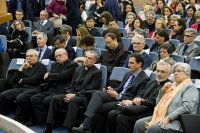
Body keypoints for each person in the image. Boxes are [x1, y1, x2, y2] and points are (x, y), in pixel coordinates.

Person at [72, 54, 150, 133]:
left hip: (124, 102)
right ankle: (86, 125)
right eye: (129, 62)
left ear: (139, 64)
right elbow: (120, 89)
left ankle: (87, 126)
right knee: (97, 94)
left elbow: (136, 98)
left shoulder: (144, 79)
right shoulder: (128, 73)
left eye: (132, 63)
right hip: (117, 97)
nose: (128, 65)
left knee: (100, 106)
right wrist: (111, 89)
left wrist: (118, 96)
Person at [40, 50, 102, 133]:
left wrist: (75, 95)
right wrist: (69, 93)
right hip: (72, 94)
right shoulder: (78, 69)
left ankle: (69, 129)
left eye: (89, 58)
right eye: (85, 57)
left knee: (73, 100)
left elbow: (90, 89)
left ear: (94, 61)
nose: (86, 59)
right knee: (55, 98)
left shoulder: (97, 72)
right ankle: (48, 127)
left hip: (85, 97)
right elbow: (71, 85)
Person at [133, 62, 199, 133]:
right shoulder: (172, 86)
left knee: (153, 128)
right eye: (174, 71)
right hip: (162, 116)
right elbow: (158, 103)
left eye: (179, 71)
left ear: (187, 73)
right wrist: (162, 91)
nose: (175, 73)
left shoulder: (190, 87)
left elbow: (187, 107)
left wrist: (169, 118)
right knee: (139, 124)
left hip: (178, 121)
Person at [107, 61, 172, 133]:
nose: (159, 74)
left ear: (169, 74)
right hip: (139, 106)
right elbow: (140, 93)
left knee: (121, 117)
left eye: (163, 72)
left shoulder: (168, 86)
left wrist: (140, 101)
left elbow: (155, 102)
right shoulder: (152, 82)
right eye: (158, 71)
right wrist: (132, 101)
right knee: (112, 114)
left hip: (150, 111)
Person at [30, 48, 78, 124]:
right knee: (34, 99)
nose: (58, 58)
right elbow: (51, 78)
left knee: (47, 100)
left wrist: (50, 75)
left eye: (60, 55)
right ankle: (43, 120)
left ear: (66, 55)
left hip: (62, 90)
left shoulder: (73, 65)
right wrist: (50, 77)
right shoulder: (54, 64)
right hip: (51, 88)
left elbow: (63, 75)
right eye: (56, 56)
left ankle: (51, 121)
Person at [0, 49, 47, 116]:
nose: (28, 58)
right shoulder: (25, 66)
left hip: (34, 89)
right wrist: (21, 68)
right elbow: (14, 80)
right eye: (27, 56)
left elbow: (34, 79)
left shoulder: (41, 66)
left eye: (31, 56)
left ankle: (28, 117)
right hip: (21, 88)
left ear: (36, 57)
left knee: (20, 98)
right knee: (3, 95)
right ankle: (5, 115)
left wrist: (22, 80)